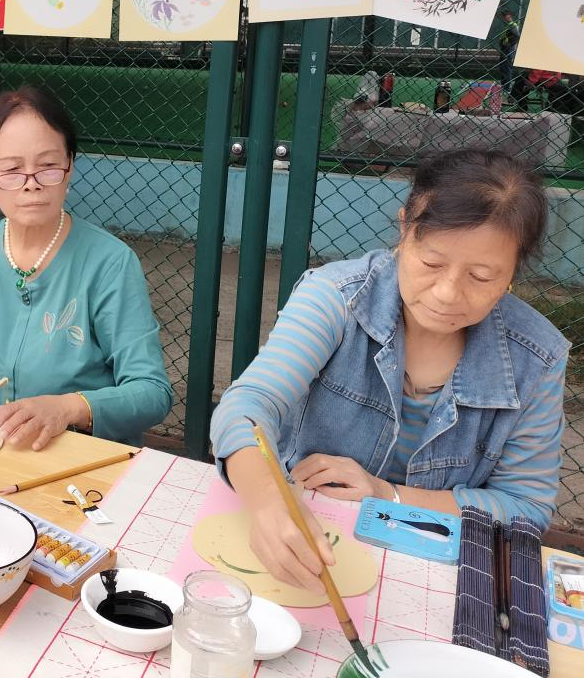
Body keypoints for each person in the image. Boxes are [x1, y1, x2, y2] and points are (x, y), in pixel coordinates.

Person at [210, 149, 566, 595]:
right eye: (432, 263)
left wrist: (387, 495)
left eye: (481, 276)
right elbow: (248, 405)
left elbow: (524, 508)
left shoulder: (538, 356)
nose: (447, 293)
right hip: (312, 534)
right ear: (405, 229)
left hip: (431, 574)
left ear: (515, 267)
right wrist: (267, 503)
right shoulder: (337, 296)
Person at [0, 86, 173, 448]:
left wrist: (69, 408)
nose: (31, 185)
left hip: (81, 461)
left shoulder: (110, 263)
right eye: (12, 170)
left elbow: (151, 392)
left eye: (48, 166)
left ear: (70, 167)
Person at [497, 9, 521, 96]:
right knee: (503, 68)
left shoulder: (512, 25)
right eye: (504, 16)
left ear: (510, 16)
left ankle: (507, 87)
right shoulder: (507, 25)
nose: (505, 17)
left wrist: (510, 44)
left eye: (506, 15)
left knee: (507, 68)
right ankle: (504, 86)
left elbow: (517, 35)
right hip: (504, 49)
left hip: (508, 50)